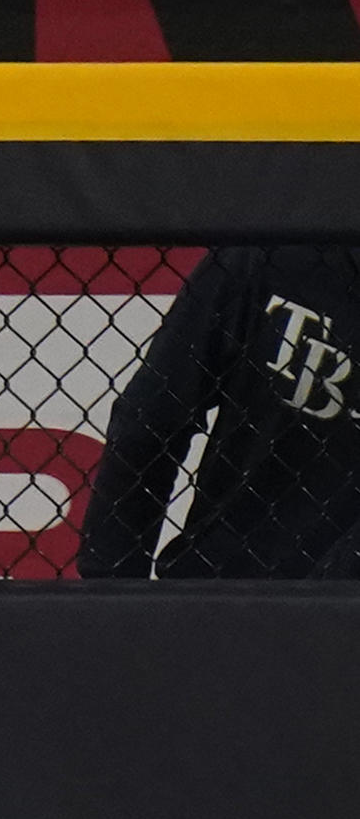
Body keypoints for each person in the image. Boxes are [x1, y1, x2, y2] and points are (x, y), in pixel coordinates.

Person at [82, 245, 360, 577]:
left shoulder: (268, 250)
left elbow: (148, 422)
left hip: (225, 591)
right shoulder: (266, 255)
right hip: (232, 592)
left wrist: (111, 594)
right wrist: (112, 590)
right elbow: (149, 421)